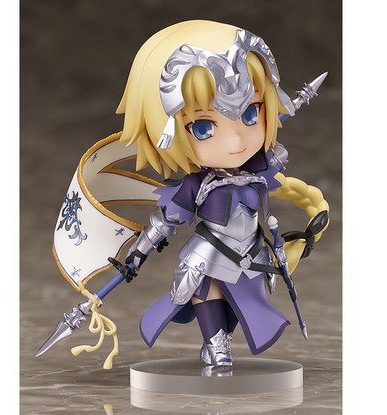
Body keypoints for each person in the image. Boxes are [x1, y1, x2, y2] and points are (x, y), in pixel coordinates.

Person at [114, 20, 329, 367]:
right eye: (204, 127)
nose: (236, 141)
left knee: (244, 300)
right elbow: (164, 222)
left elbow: (280, 171)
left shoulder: (259, 169)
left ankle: (222, 339)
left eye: (250, 113)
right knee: (205, 288)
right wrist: (136, 256)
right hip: (209, 252)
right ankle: (216, 346)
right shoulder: (197, 184)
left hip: (252, 250)